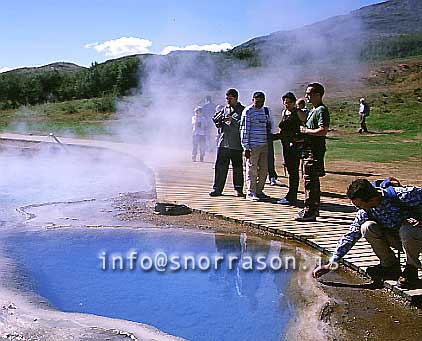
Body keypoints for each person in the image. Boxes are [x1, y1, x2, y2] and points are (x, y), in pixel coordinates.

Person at [313, 179, 422, 289]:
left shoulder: (404, 195)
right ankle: (390, 266)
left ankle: (411, 269)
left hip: (416, 237)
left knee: (408, 229)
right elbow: (351, 235)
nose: (358, 209)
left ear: (372, 199)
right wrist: (332, 262)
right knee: (367, 227)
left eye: (360, 206)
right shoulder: (365, 211)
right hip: (399, 239)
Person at [296, 82, 330, 222]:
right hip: (308, 148)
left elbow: (323, 130)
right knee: (308, 177)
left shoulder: (321, 110)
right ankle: (311, 208)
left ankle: (311, 209)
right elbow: (304, 118)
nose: (307, 96)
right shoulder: (313, 110)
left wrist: (306, 131)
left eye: (309, 94)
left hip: (314, 149)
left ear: (318, 95)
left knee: (311, 179)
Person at [209, 89, 245, 197]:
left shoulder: (242, 110)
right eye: (227, 98)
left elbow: (242, 125)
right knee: (220, 167)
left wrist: (232, 120)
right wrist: (218, 121)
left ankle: (238, 189)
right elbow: (218, 124)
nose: (228, 101)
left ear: (236, 98)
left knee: (237, 167)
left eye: (230, 98)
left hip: (236, 143)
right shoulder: (224, 109)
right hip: (223, 142)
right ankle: (217, 189)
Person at [240, 91, 273, 201]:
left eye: (262, 101)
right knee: (252, 169)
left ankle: (259, 191)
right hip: (253, 145)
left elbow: (269, 126)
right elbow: (244, 130)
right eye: (257, 101)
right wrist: (246, 147)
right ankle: (250, 192)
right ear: (253, 100)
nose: (259, 103)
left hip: (264, 144)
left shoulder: (265, 111)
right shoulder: (248, 111)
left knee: (264, 170)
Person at [276, 92, 305, 206]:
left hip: (295, 145)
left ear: (294, 102)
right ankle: (291, 193)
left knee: (293, 171)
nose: (287, 104)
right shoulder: (285, 113)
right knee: (289, 169)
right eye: (285, 102)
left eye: (289, 102)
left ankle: (292, 195)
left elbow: (304, 125)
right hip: (286, 144)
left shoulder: (298, 113)